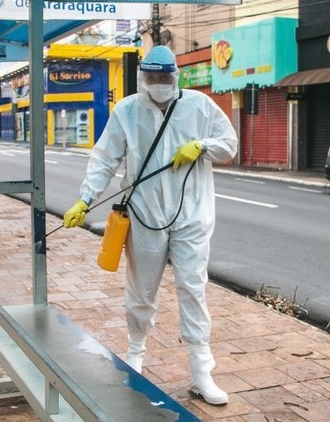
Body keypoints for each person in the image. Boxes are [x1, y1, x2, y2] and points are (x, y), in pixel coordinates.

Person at [62, 46, 237, 405]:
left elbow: (229, 145)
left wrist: (201, 146)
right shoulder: (126, 110)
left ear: (175, 76)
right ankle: (136, 354)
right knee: (141, 291)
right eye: (152, 77)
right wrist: (84, 199)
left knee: (193, 288)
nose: (158, 83)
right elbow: (105, 158)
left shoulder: (200, 106)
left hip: (192, 215)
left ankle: (201, 370)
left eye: (164, 77)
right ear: (143, 77)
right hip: (145, 216)